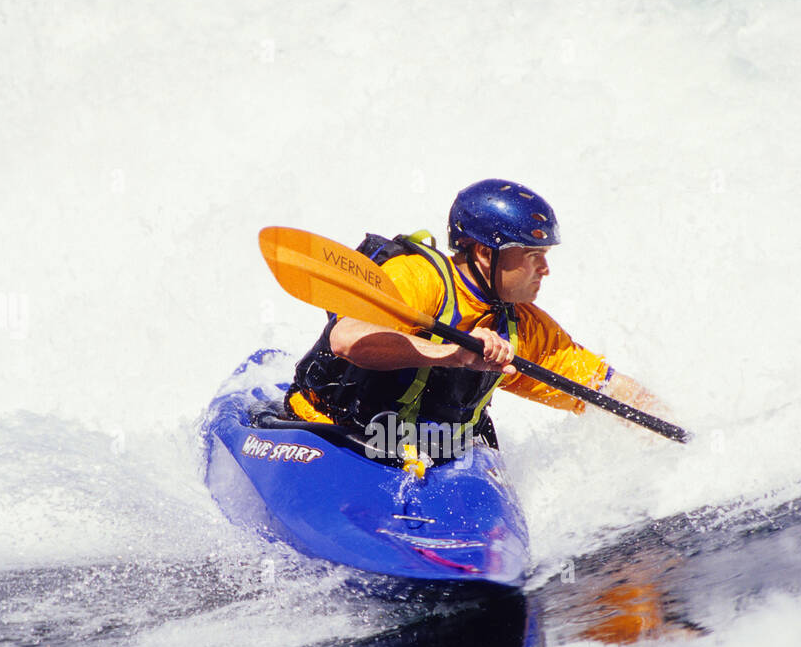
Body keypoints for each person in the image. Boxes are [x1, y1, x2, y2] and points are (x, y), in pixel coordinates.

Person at [284, 179, 671, 460]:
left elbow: (603, 388)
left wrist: (680, 439)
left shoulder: (524, 328)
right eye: (532, 255)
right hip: (330, 436)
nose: (545, 270)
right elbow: (348, 339)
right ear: (486, 253)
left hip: (429, 459)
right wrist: (454, 354)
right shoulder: (417, 279)